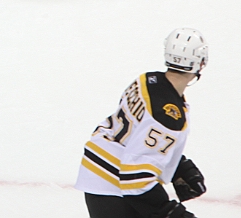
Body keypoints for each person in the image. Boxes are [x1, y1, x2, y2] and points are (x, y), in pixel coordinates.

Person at [75, 28, 209, 218]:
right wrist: (172, 213)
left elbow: (137, 134)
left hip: (100, 175)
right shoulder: (168, 116)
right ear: (201, 63)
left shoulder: (147, 81)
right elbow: (136, 181)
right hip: (115, 187)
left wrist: (176, 164)